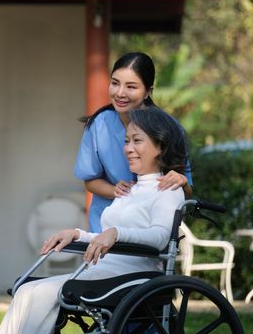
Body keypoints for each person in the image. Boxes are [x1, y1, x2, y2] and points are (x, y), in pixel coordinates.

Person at [0, 107, 188, 334]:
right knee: (25, 290)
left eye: (137, 141)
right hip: (103, 271)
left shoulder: (169, 190)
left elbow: (158, 238)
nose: (128, 149)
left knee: (37, 294)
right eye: (127, 141)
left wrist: (116, 232)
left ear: (161, 146)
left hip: (132, 277)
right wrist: (78, 234)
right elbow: (107, 239)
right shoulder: (130, 190)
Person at [74, 52, 192, 233]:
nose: (120, 93)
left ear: (148, 92)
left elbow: (186, 191)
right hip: (104, 228)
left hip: (148, 233)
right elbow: (90, 181)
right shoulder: (99, 124)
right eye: (115, 83)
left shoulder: (169, 128)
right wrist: (115, 190)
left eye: (131, 86)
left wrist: (182, 182)